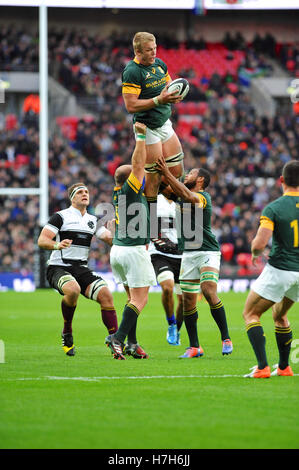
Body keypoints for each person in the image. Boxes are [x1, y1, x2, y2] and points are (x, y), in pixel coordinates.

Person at [156, 157, 233, 358]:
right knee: (188, 302)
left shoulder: (203, 197)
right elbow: (161, 188)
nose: (186, 175)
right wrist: (153, 170)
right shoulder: (179, 195)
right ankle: (194, 346)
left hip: (207, 251)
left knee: (208, 291)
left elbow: (188, 197)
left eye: (190, 173)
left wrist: (167, 173)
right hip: (188, 254)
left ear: (199, 180)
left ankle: (225, 337)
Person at [37, 183, 118, 356]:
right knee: (73, 290)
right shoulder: (60, 217)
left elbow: (109, 240)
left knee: (106, 295)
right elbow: (42, 240)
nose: (84, 194)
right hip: (58, 267)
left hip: (81, 268)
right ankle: (67, 330)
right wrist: (57, 245)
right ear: (72, 197)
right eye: (80, 192)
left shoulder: (92, 220)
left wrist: (113, 233)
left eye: (87, 192)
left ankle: (115, 340)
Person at [122, 31, 185, 235]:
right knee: (156, 174)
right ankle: (152, 223)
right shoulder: (132, 71)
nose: (154, 52)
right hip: (146, 127)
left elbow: (167, 85)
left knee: (177, 171)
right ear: (138, 51)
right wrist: (159, 100)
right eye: (149, 50)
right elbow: (130, 105)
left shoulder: (159, 64)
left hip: (164, 123)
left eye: (155, 48)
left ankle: (172, 209)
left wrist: (174, 94)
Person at [243, 160, 299, 378]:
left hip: (281, 269)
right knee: (280, 315)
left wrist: (256, 254)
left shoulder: (274, 208)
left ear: (282, 181)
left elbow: (258, 244)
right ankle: (284, 368)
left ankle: (262, 367)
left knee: (250, 313)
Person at [105, 122, 157, 360]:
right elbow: (138, 165)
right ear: (130, 180)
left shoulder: (121, 193)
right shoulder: (130, 190)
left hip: (119, 250)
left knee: (130, 300)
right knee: (140, 299)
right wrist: (140, 137)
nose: (142, 175)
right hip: (133, 251)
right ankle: (118, 338)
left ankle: (132, 343)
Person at [148, 192, 183, 346]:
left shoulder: (183, 201)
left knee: (184, 300)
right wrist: (157, 240)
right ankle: (171, 324)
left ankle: (178, 329)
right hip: (159, 253)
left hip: (182, 255)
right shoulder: (154, 199)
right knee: (167, 287)